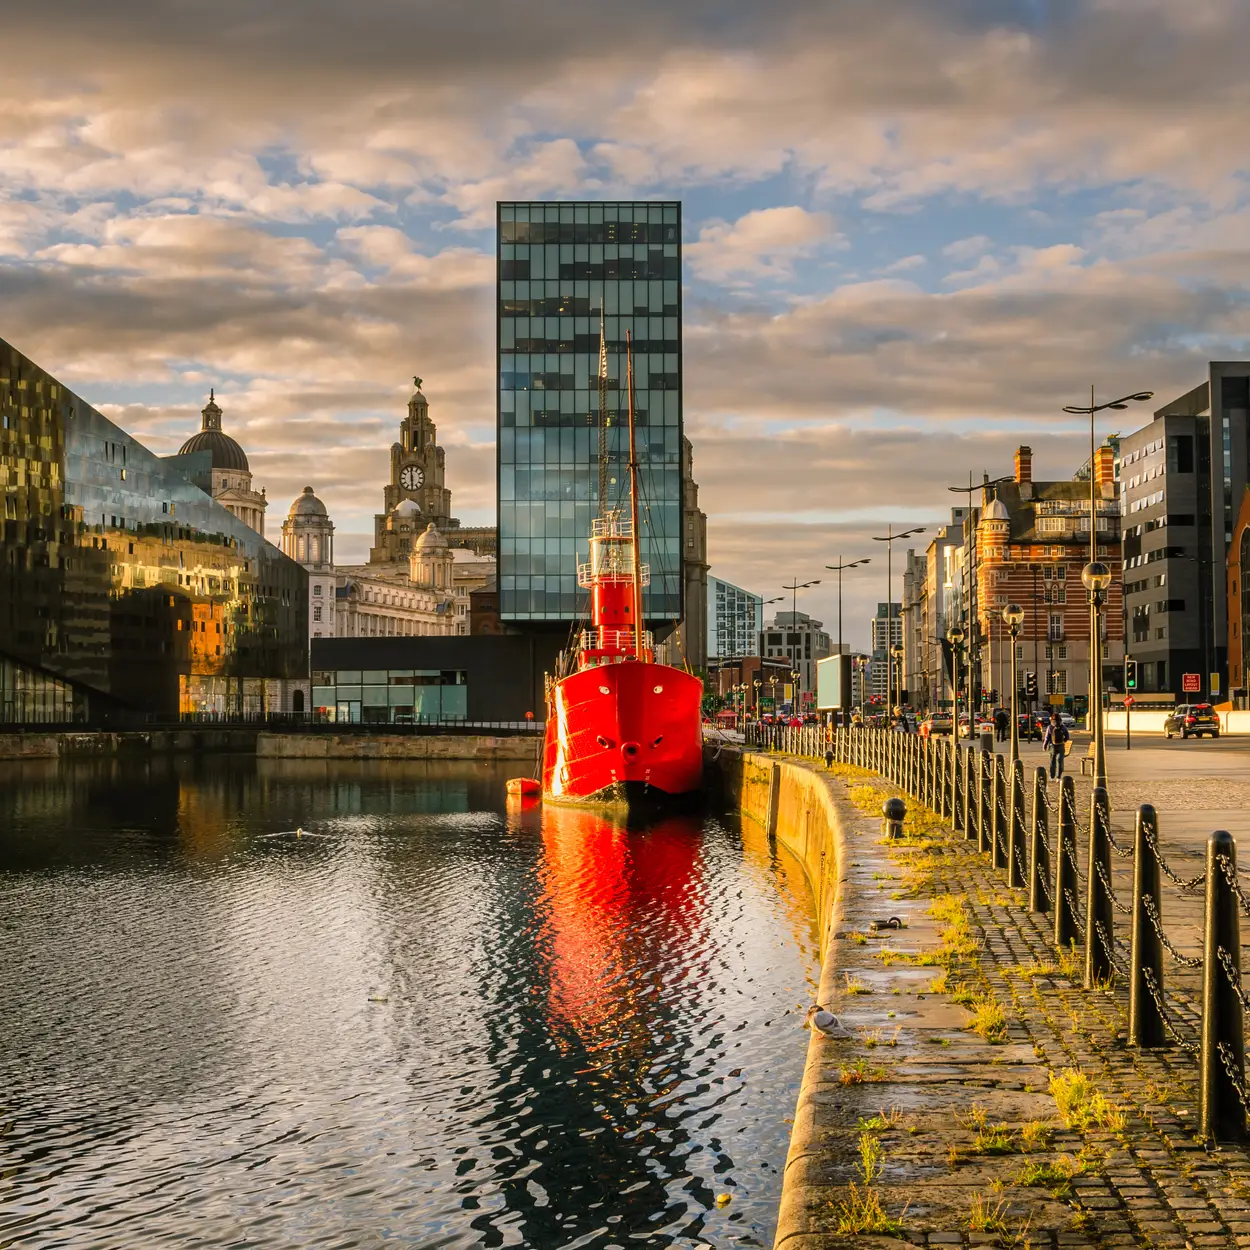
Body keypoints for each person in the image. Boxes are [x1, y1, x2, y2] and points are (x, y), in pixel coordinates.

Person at [1042, 710, 1069, 779]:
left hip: (1052, 746)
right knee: (1060, 761)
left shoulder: (1050, 727)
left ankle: (1052, 776)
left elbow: (1047, 738)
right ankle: (1059, 777)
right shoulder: (1063, 727)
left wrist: (1044, 746)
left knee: (1053, 762)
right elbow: (1067, 736)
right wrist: (1063, 741)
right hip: (1061, 746)